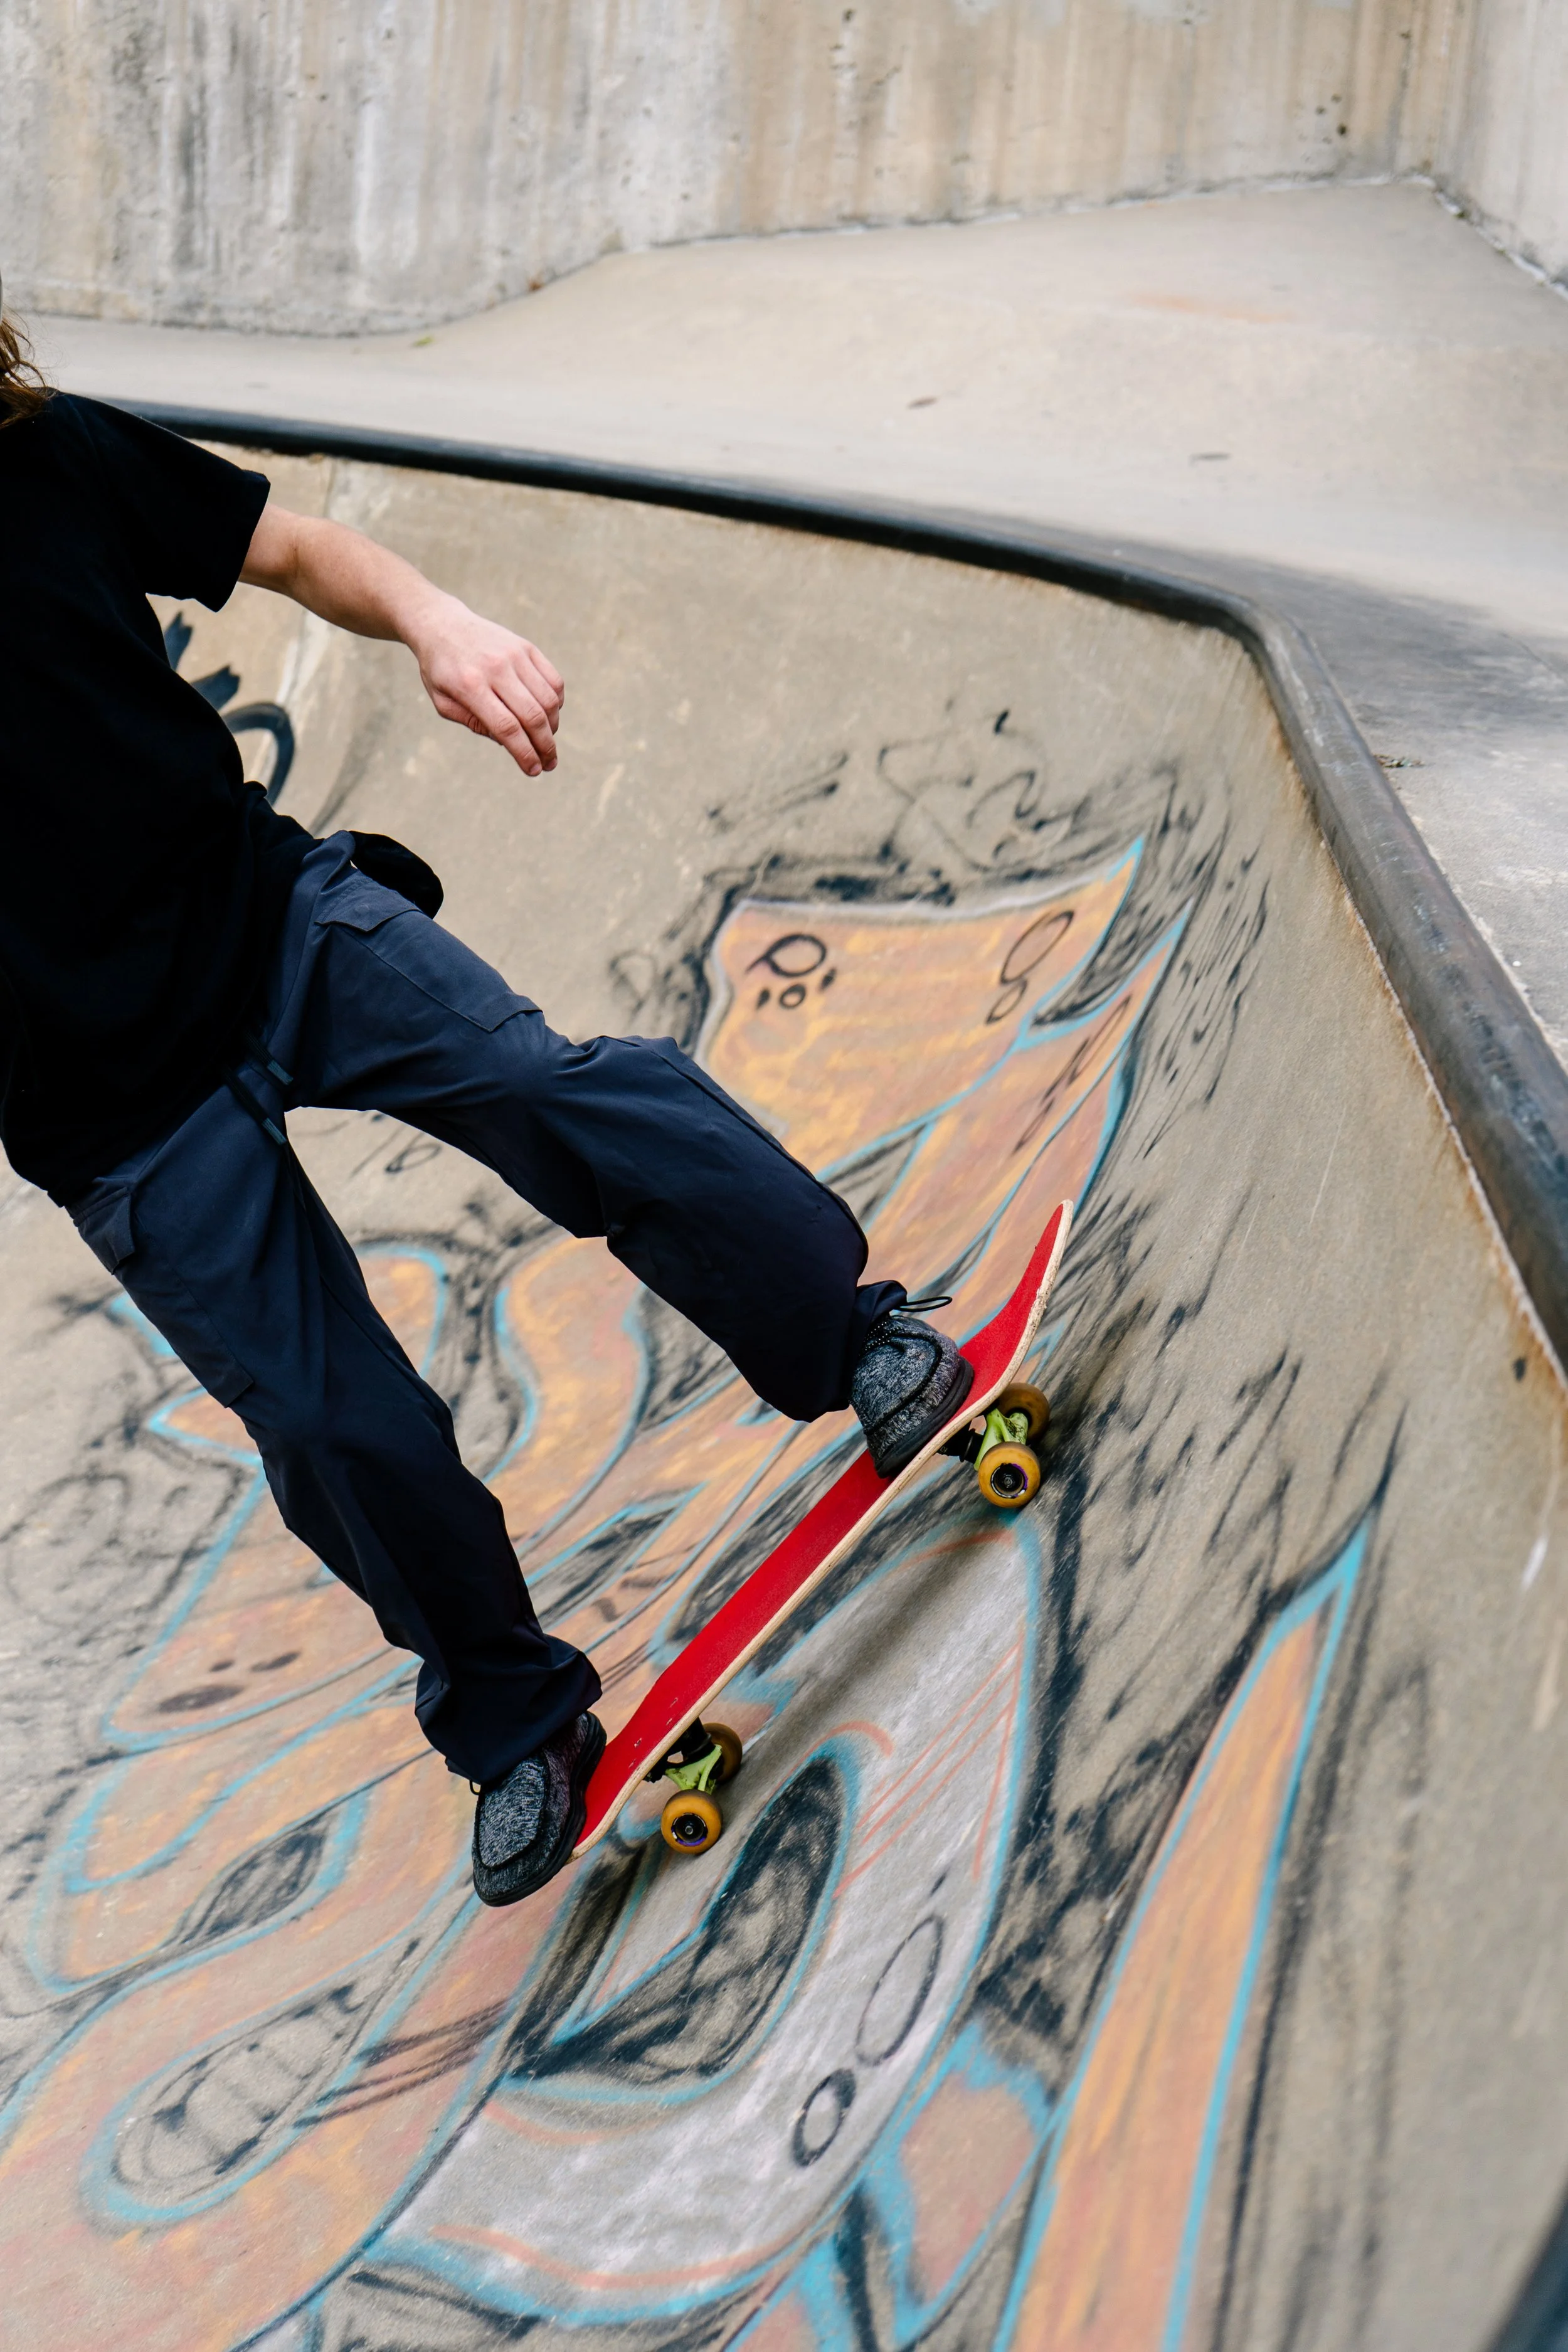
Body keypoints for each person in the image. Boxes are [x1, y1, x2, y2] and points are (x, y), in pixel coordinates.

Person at [0, 303, 973, 1905]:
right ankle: (517, 1723)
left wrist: (442, 626)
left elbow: (303, 552)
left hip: (269, 923)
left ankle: (850, 1330)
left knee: (536, 1085)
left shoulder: (53, 461)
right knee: (328, 1422)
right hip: (109, 1107)